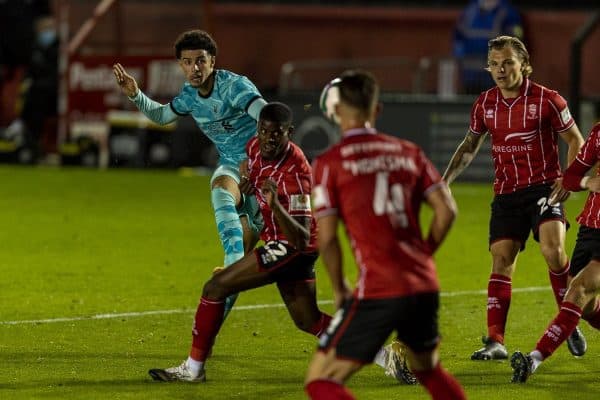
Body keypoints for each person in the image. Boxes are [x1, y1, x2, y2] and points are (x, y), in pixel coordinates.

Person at [146, 102, 409, 384]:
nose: (268, 139)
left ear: (289, 133)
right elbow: (249, 163)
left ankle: (193, 369)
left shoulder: (296, 175)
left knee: (215, 287)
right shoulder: (254, 147)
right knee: (308, 321)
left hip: (294, 246)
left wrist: (275, 205)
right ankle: (386, 357)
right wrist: (248, 180)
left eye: (277, 133)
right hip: (282, 243)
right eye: (264, 131)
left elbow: (300, 236)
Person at [305, 70, 466, 400]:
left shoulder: (328, 163)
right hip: (423, 284)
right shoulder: (408, 152)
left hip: (378, 289)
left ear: (335, 112)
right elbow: (447, 210)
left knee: (321, 380)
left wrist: (338, 289)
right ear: (376, 110)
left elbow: (328, 237)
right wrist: (423, 252)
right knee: (428, 370)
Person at [442, 35, 586, 361]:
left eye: (507, 62)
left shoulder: (548, 100)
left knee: (554, 249)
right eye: (494, 64)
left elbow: (575, 140)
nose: (500, 70)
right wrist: (445, 180)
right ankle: (495, 341)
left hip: (544, 189)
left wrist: (569, 177)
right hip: (506, 194)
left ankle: (569, 317)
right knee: (501, 261)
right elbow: (469, 146)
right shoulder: (484, 104)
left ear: (523, 63)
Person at [113, 30, 265, 319]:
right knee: (220, 188)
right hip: (232, 167)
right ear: (180, 65)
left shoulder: (235, 87)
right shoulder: (189, 97)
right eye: (186, 62)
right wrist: (135, 94)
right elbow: (161, 116)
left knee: (242, 276)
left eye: (200, 61)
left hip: (263, 172)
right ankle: (200, 348)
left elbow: (267, 115)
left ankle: (209, 332)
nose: (194, 69)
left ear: (212, 62)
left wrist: (256, 158)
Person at [511, 122, 600, 383]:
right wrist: (588, 181)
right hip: (590, 229)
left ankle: (534, 359)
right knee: (586, 307)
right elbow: (571, 177)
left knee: (578, 290)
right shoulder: (598, 133)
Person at [453, 0, 523, 94]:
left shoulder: (508, 12)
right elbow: (458, 36)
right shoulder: (469, 11)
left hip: (496, 78)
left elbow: (516, 41)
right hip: (470, 76)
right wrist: (458, 53)